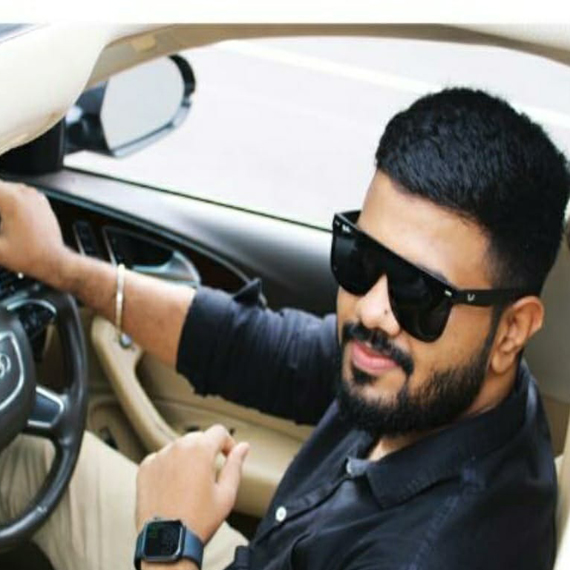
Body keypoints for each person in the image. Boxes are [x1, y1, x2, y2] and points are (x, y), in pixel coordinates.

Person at [0, 87, 568, 570]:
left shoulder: (430, 554)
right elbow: (254, 346)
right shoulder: (438, 385)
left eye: (419, 291)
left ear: (513, 330)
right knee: (26, 457)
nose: (372, 311)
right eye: (361, 257)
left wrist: (169, 538)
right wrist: (62, 268)